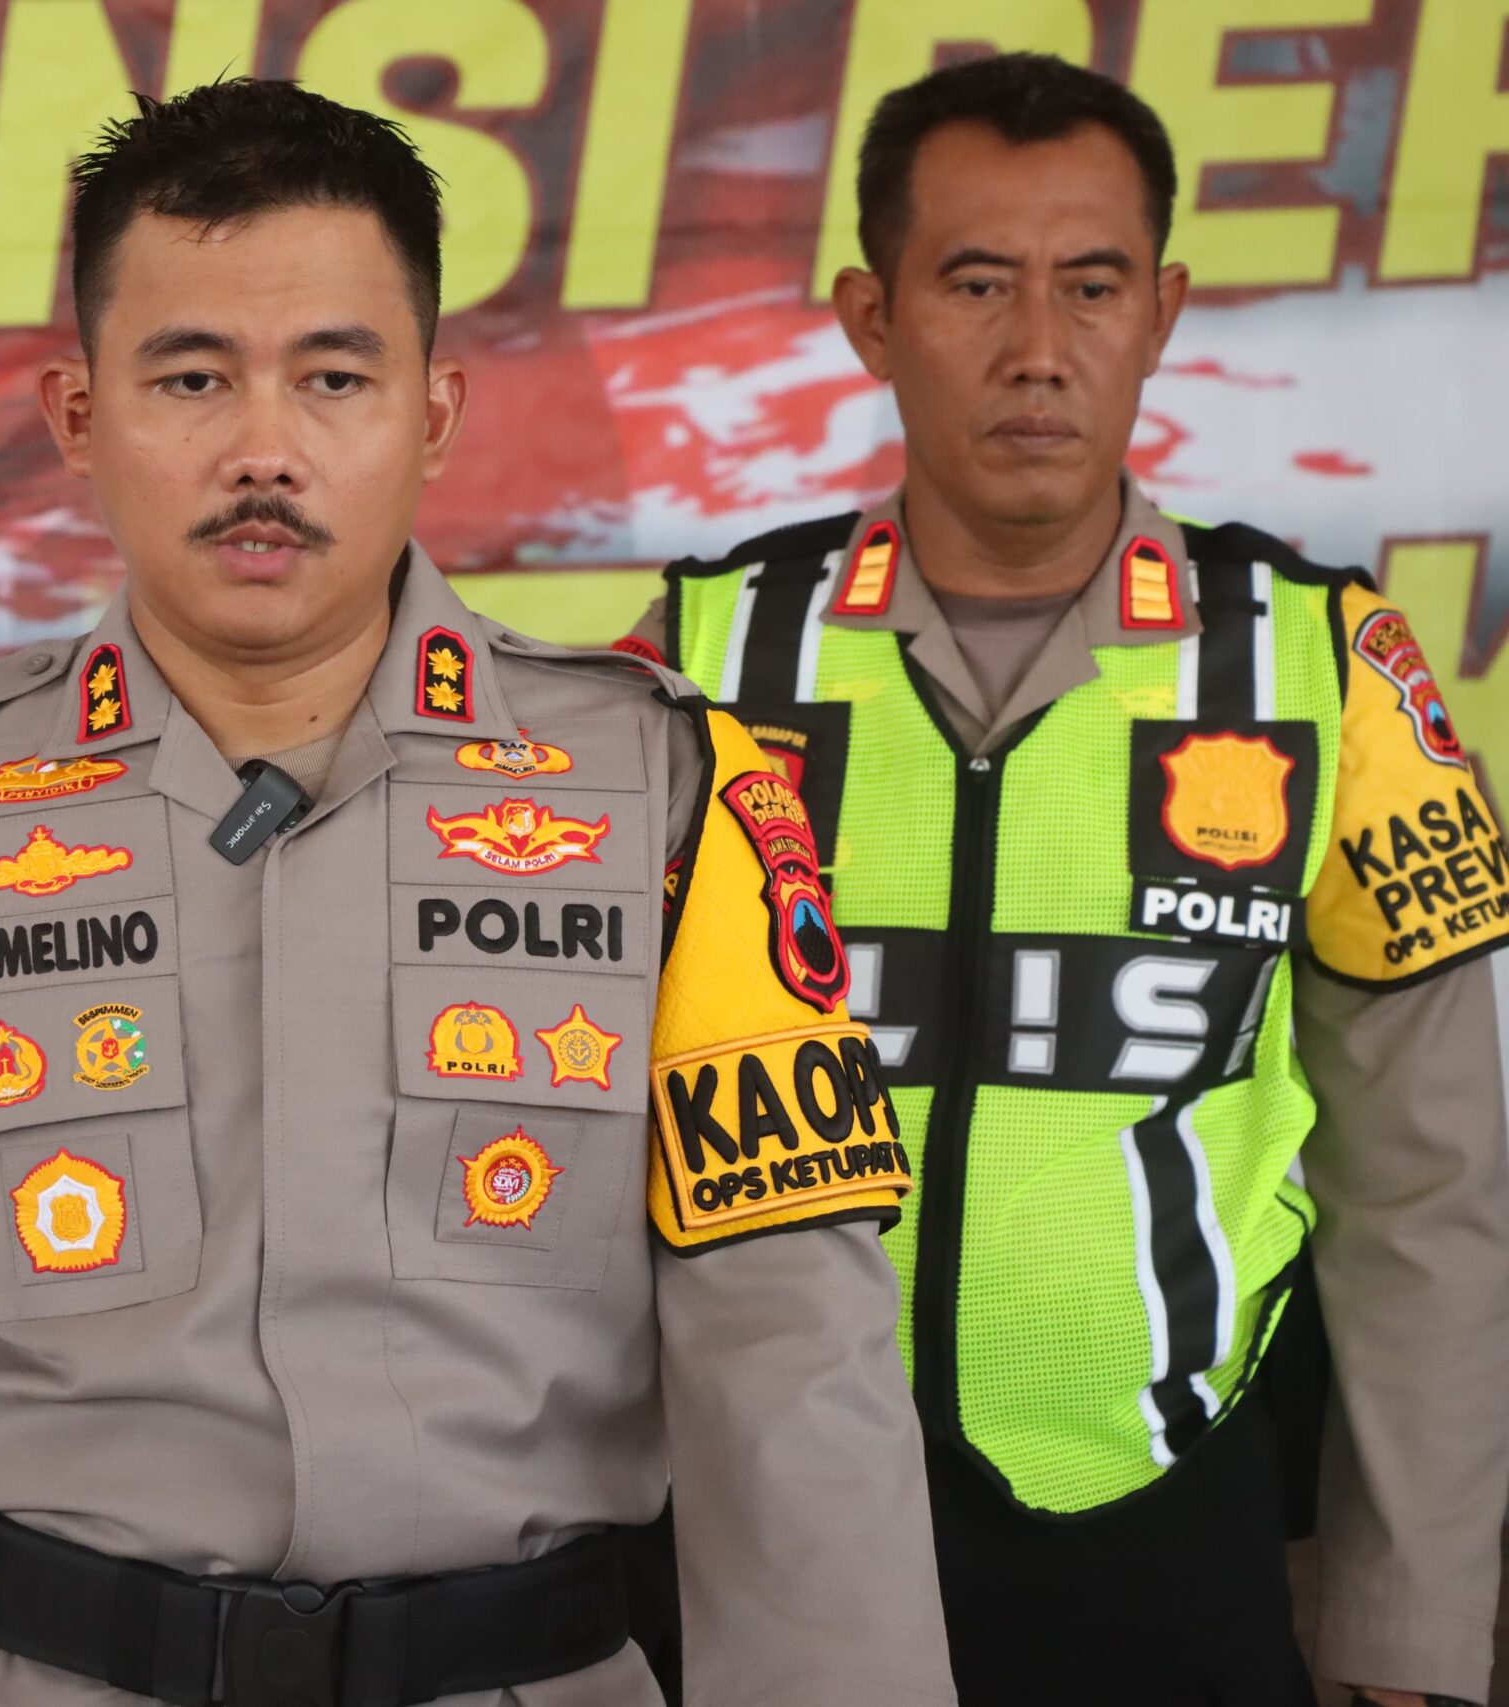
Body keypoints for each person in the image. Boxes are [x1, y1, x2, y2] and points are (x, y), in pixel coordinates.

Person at [0, 78, 958, 1707]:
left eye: (335, 377)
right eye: (191, 377)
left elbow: (791, 1356)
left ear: (434, 412)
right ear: (79, 414)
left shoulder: (667, 799)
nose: (263, 451)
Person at [619, 52, 1509, 1707]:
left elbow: (1431, 1195)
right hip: (752, 1531)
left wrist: (1414, 1624)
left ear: (1162, 312)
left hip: (1171, 1533)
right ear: (872, 317)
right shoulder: (702, 659)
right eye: (976, 284)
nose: (1039, 347)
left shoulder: (1320, 667)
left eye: (1092, 286)